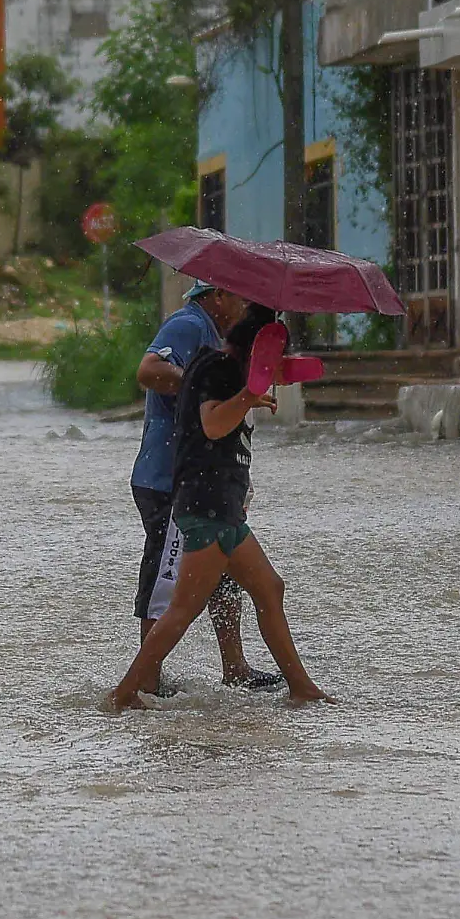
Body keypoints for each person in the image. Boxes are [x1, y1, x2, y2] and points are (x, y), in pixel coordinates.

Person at [110, 304, 333, 711]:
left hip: (225, 507)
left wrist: (271, 382)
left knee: (269, 587)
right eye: (272, 360)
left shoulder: (229, 371)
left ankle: (301, 687)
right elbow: (212, 425)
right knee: (183, 609)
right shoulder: (219, 370)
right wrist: (249, 396)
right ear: (255, 353)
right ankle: (126, 693)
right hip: (207, 508)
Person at [131, 281, 282, 694]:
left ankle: (235, 665)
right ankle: (143, 679)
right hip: (170, 480)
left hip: (206, 483)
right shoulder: (188, 323)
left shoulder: (214, 339)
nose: (242, 307)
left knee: (223, 574)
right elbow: (148, 371)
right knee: (167, 581)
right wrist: (203, 386)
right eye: (239, 298)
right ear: (216, 296)